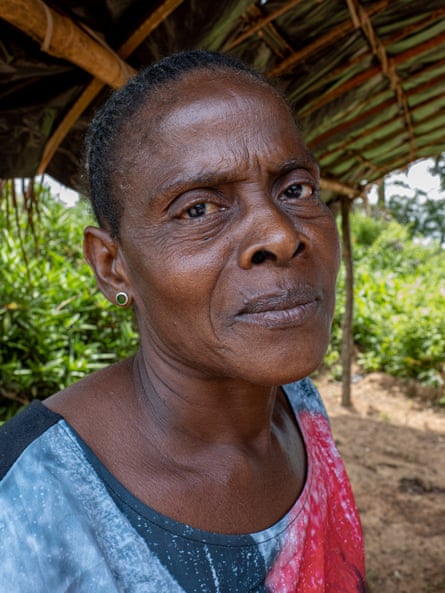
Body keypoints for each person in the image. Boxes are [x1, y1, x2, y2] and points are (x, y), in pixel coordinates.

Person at [0, 50, 365, 592]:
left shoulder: (300, 407)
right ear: (112, 265)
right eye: (198, 209)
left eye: (296, 190)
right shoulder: (25, 507)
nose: (282, 235)